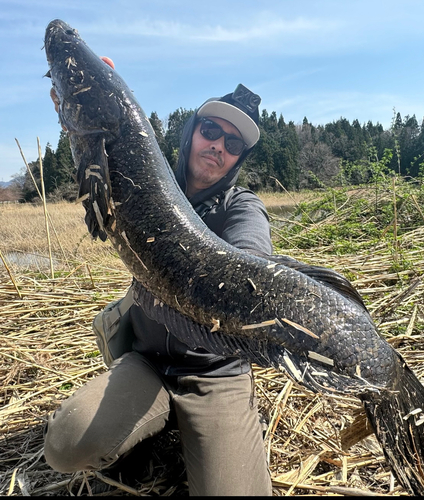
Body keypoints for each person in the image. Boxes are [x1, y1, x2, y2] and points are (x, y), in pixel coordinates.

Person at [44, 79, 273, 496]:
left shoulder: (243, 207)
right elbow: (102, 158)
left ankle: (214, 424)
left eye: (234, 144)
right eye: (211, 131)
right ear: (192, 132)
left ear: (239, 159)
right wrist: (77, 111)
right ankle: (155, 421)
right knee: (65, 446)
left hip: (213, 371)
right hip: (147, 361)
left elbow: (253, 262)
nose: (219, 146)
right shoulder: (146, 181)